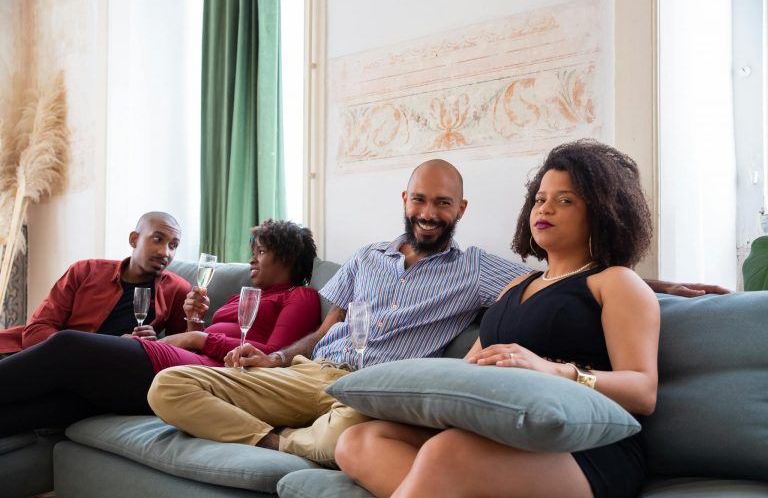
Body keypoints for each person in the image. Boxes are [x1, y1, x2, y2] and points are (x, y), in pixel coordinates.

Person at [146, 158, 721, 468]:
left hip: (375, 388)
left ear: (460, 209)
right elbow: (326, 330)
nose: (428, 212)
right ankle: (279, 440)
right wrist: (274, 359)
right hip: (311, 374)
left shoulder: (481, 270)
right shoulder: (373, 258)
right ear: (405, 200)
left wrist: (659, 281)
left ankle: (302, 439)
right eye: (420, 199)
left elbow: (585, 284)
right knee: (169, 386)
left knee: (353, 438)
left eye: (442, 203)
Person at [335, 140, 660, 497]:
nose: (546, 208)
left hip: (589, 449)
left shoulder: (615, 283)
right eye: (540, 199)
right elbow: (473, 366)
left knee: (447, 453)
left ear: (600, 211)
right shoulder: (516, 286)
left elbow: (643, 391)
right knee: (359, 440)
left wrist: (556, 370)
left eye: (564, 200)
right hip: (505, 432)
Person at [0, 220, 320, 438]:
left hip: (214, 373)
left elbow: (272, 358)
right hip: (188, 359)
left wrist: (198, 335)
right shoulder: (243, 295)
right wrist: (195, 323)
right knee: (68, 405)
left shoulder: (300, 296)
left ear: (288, 257)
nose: (252, 260)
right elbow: (207, 339)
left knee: (69, 345)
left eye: (261, 252)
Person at [0, 211, 190, 354]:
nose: (165, 252)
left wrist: (154, 345)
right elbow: (36, 331)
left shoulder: (177, 290)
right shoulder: (84, 271)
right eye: (157, 239)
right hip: (48, 355)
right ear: (134, 239)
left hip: (105, 370)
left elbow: (183, 355)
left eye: (173, 245)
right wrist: (109, 343)